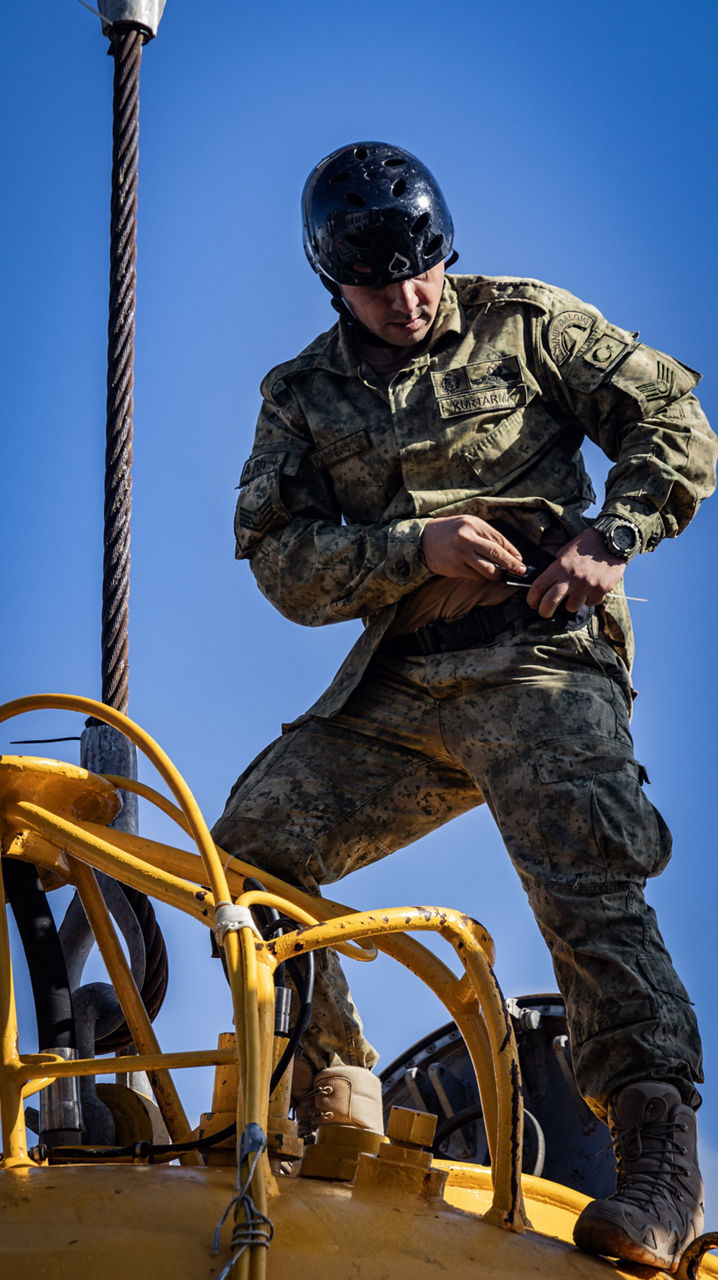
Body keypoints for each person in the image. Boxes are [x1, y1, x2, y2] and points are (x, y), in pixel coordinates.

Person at [212, 141, 717, 1270]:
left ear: (446, 250)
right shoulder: (299, 398)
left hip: (538, 662)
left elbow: (673, 419)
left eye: (423, 270)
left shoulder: (527, 324)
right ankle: (332, 1084)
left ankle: (656, 1162)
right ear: (331, 282)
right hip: (399, 687)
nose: (408, 298)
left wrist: (611, 535)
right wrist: (411, 544)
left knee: (582, 871)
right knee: (250, 846)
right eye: (379, 284)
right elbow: (278, 562)